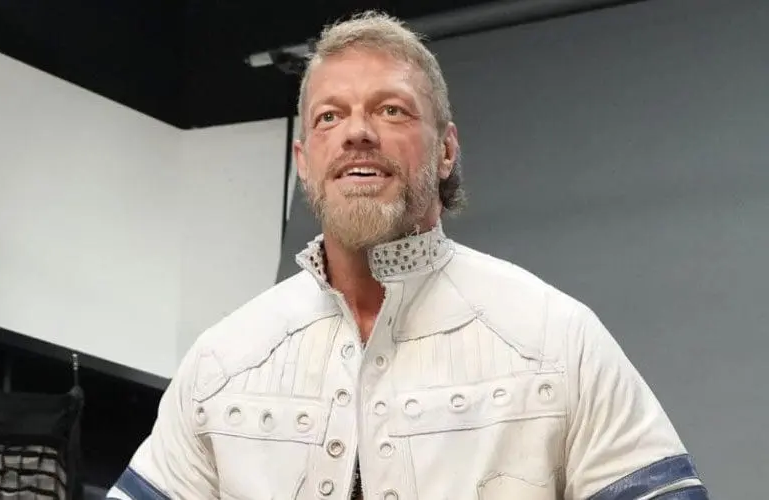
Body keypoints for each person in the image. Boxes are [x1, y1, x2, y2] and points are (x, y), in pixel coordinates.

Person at [106, 10, 707, 500]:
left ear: (446, 150)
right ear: (303, 162)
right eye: (329, 116)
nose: (357, 132)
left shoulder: (558, 339)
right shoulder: (221, 364)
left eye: (390, 110)